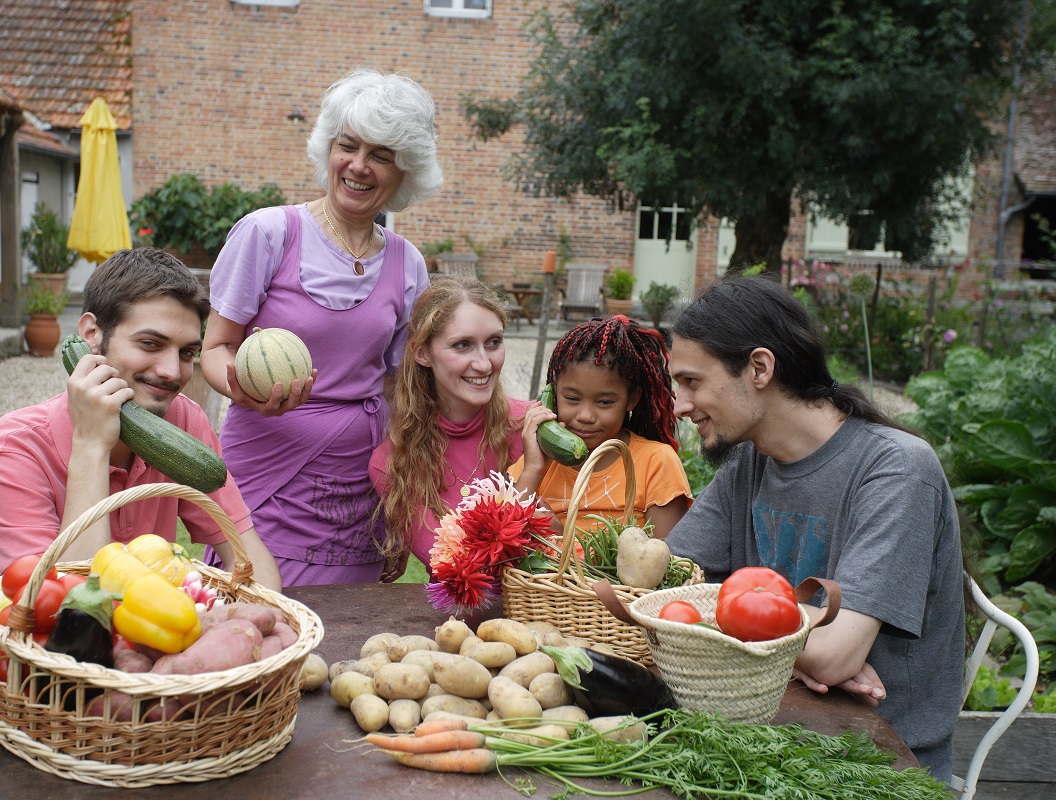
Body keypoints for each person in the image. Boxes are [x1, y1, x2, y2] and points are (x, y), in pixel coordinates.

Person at [0, 248, 282, 738]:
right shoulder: (6, 455)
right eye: (150, 343)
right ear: (91, 334)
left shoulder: (183, 424)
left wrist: (257, 641)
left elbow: (248, 555)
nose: (173, 372)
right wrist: (92, 444)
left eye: (187, 352)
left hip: (128, 680)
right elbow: (83, 614)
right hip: (3, 689)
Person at [663, 276, 964, 781]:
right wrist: (792, 651)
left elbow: (832, 654)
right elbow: (663, 590)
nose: (679, 406)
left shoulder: (896, 469)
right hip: (766, 732)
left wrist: (783, 644)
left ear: (760, 367)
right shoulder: (750, 463)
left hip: (875, 764)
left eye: (692, 382)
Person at [200, 69, 442, 586]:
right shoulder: (269, 233)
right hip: (265, 467)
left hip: (355, 484)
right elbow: (216, 346)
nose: (358, 166)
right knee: (256, 619)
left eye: (380, 155)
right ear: (326, 149)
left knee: (347, 646)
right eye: (347, 146)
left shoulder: (408, 264)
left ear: (405, 172)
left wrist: (399, 506)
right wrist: (243, 389)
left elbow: (401, 391)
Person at [369, 276, 530, 581]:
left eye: (493, 342)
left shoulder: (529, 426)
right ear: (422, 353)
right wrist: (531, 473)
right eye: (462, 345)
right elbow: (455, 568)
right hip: (457, 625)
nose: (484, 364)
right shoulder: (393, 463)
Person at [510, 314, 691, 536]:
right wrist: (533, 469)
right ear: (554, 393)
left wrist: (561, 540)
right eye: (572, 399)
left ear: (632, 399)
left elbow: (666, 562)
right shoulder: (536, 465)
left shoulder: (656, 462)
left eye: (604, 402)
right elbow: (500, 539)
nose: (586, 416)